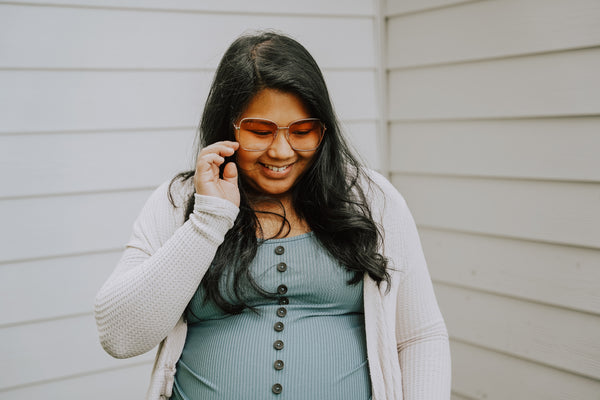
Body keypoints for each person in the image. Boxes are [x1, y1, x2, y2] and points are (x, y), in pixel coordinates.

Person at [94, 31, 451, 400]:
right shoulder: (179, 201)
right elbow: (119, 336)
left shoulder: (371, 199)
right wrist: (208, 221)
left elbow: (420, 335)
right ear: (226, 126)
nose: (281, 151)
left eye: (303, 130)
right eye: (260, 131)